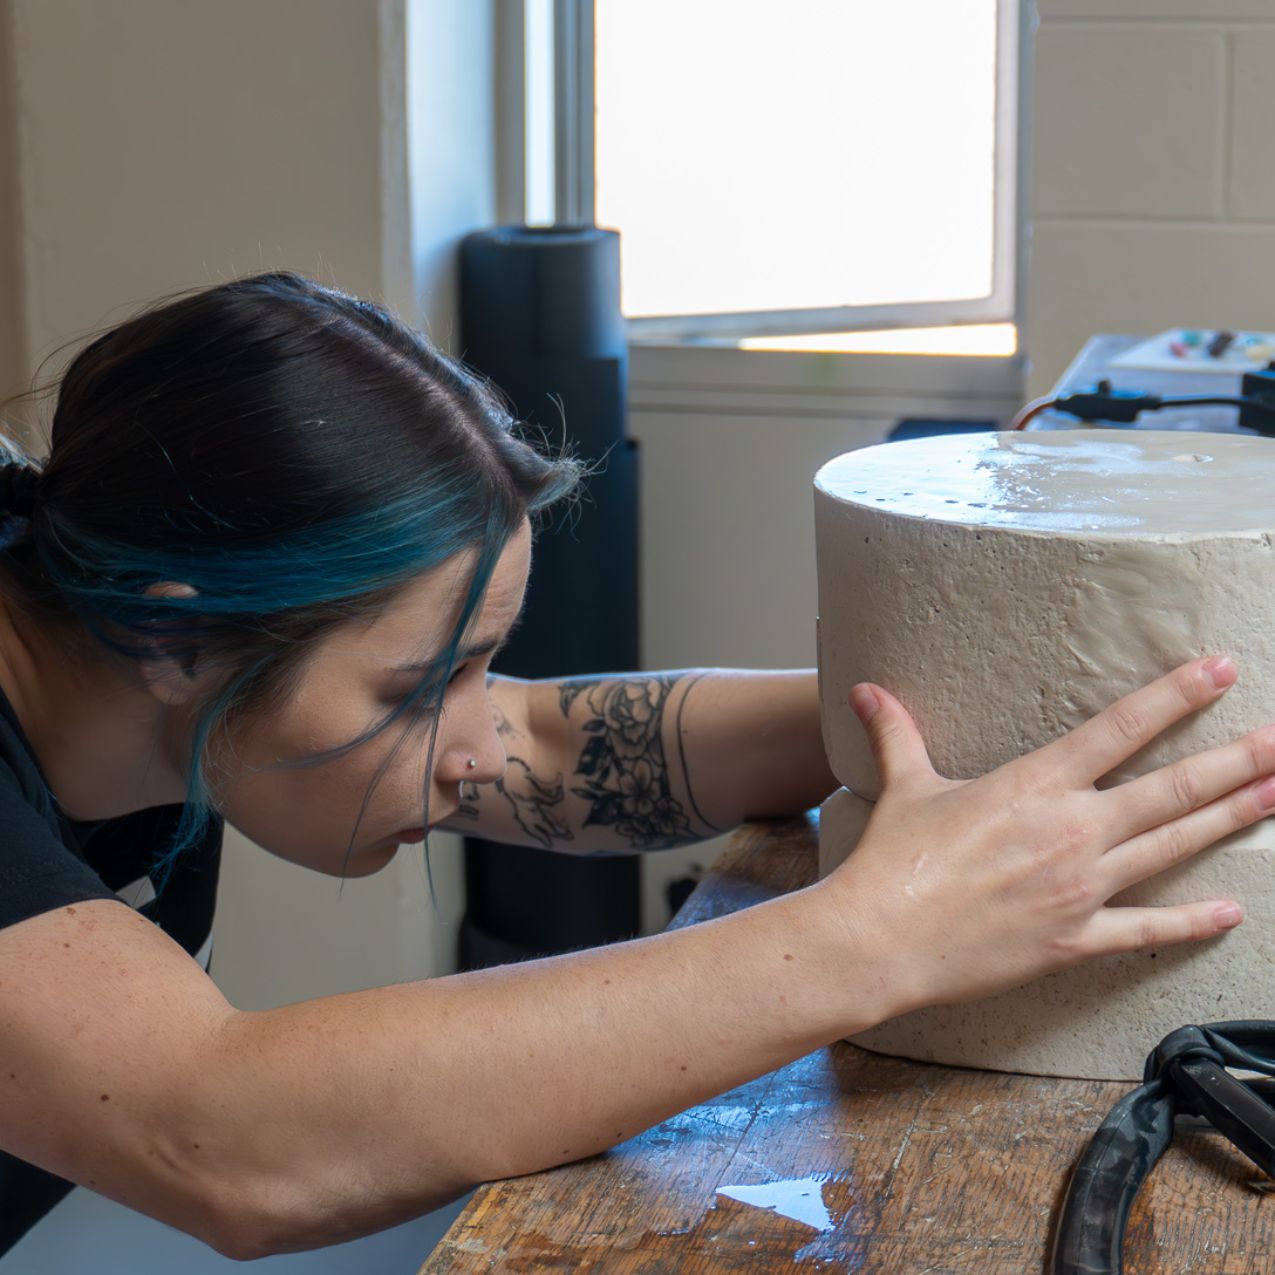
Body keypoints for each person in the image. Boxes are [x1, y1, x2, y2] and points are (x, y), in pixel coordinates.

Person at [0, 271, 1268, 1264]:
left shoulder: (121, 628)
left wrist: (993, 730)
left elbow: (553, 752)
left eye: (479, 665)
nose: (478, 738)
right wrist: (883, 931)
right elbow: (225, 1137)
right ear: (171, 632)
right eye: (418, 685)